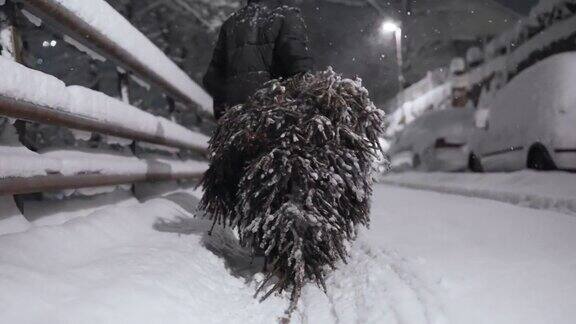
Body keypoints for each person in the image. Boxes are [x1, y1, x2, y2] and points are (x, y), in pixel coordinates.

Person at [203, 0, 314, 120]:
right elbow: (299, 67)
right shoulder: (287, 16)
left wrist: (226, 112)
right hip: (274, 118)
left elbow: (212, 79)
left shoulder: (231, 23)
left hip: (238, 122)